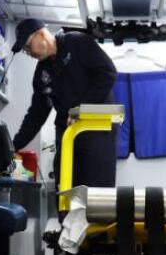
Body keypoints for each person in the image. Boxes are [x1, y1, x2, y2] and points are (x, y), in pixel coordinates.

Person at [10, 18, 118, 189]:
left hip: (97, 127)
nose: (29, 52)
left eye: (28, 47)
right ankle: (66, 216)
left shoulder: (77, 42)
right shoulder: (41, 75)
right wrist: (12, 146)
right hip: (68, 133)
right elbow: (36, 115)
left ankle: (97, 215)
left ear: (41, 35)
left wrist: (80, 110)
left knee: (97, 186)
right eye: (25, 50)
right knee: (66, 186)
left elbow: (107, 73)